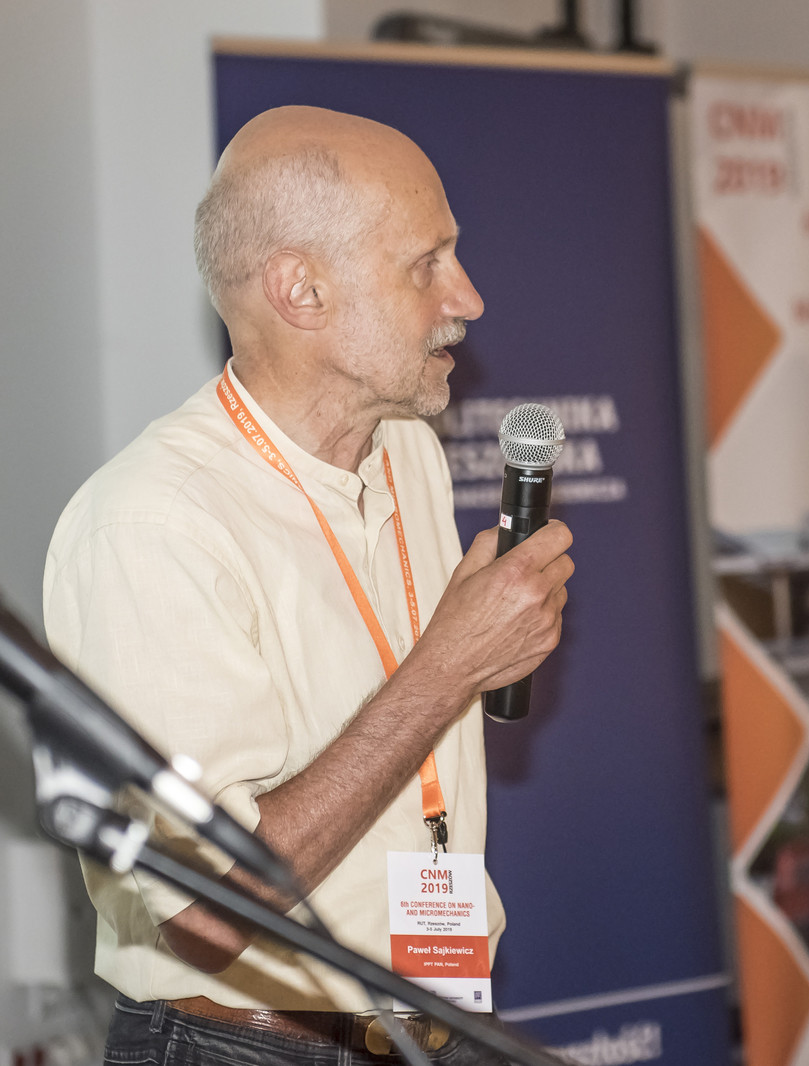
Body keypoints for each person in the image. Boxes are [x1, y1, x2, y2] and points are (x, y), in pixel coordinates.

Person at [42, 106, 574, 1063]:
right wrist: (448, 668)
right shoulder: (151, 524)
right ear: (301, 291)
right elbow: (205, 915)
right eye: (426, 265)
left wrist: (488, 648)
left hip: (435, 1029)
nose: (468, 296)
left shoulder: (407, 449)